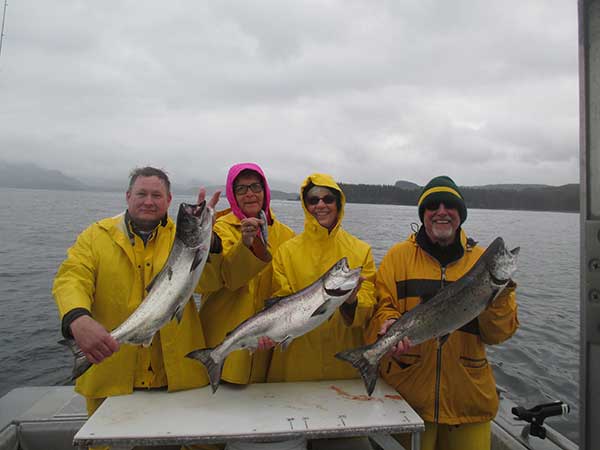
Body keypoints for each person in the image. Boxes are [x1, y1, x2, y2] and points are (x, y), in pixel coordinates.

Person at [52, 167, 223, 421]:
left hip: (178, 380)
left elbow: (210, 284)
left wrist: (211, 244)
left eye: (157, 195)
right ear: (128, 196)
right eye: (142, 194)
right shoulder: (96, 236)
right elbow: (71, 278)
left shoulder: (181, 236)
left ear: (169, 200)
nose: (149, 201)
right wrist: (76, 317)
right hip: (112, 379)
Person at [366, 175, 519, 450]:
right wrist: (387, 320)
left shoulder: (480, 260)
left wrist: (500, 293)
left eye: (450, 205)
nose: (441, 211)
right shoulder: (397, 257)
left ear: (461, 214)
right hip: (407, 399)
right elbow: (383, 304)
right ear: (422, 214)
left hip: (469, 401)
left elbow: (498, 335)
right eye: (432, 206)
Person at [265, 173, 376, 382]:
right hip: (294, 365)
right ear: (306, 205)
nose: (321, 205)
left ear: (339, 203)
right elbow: (279, 301)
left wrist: (352, 303)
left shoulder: (362, 251)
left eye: (328, 199)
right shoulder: (286, 252)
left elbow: (368, 310)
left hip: (343, 368)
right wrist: (268, 334)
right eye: (313, 200)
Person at [200, 162, 295, 385]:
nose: (249, 193)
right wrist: (244, 245)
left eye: (255, 186)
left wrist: (280, 329)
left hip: (266, 346)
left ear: (265, 190)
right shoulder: (217, 229)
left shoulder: (287, 235)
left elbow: (287, 288)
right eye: (241, 189)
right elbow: (220, 280)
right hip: (221, 344)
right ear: (232, 195)